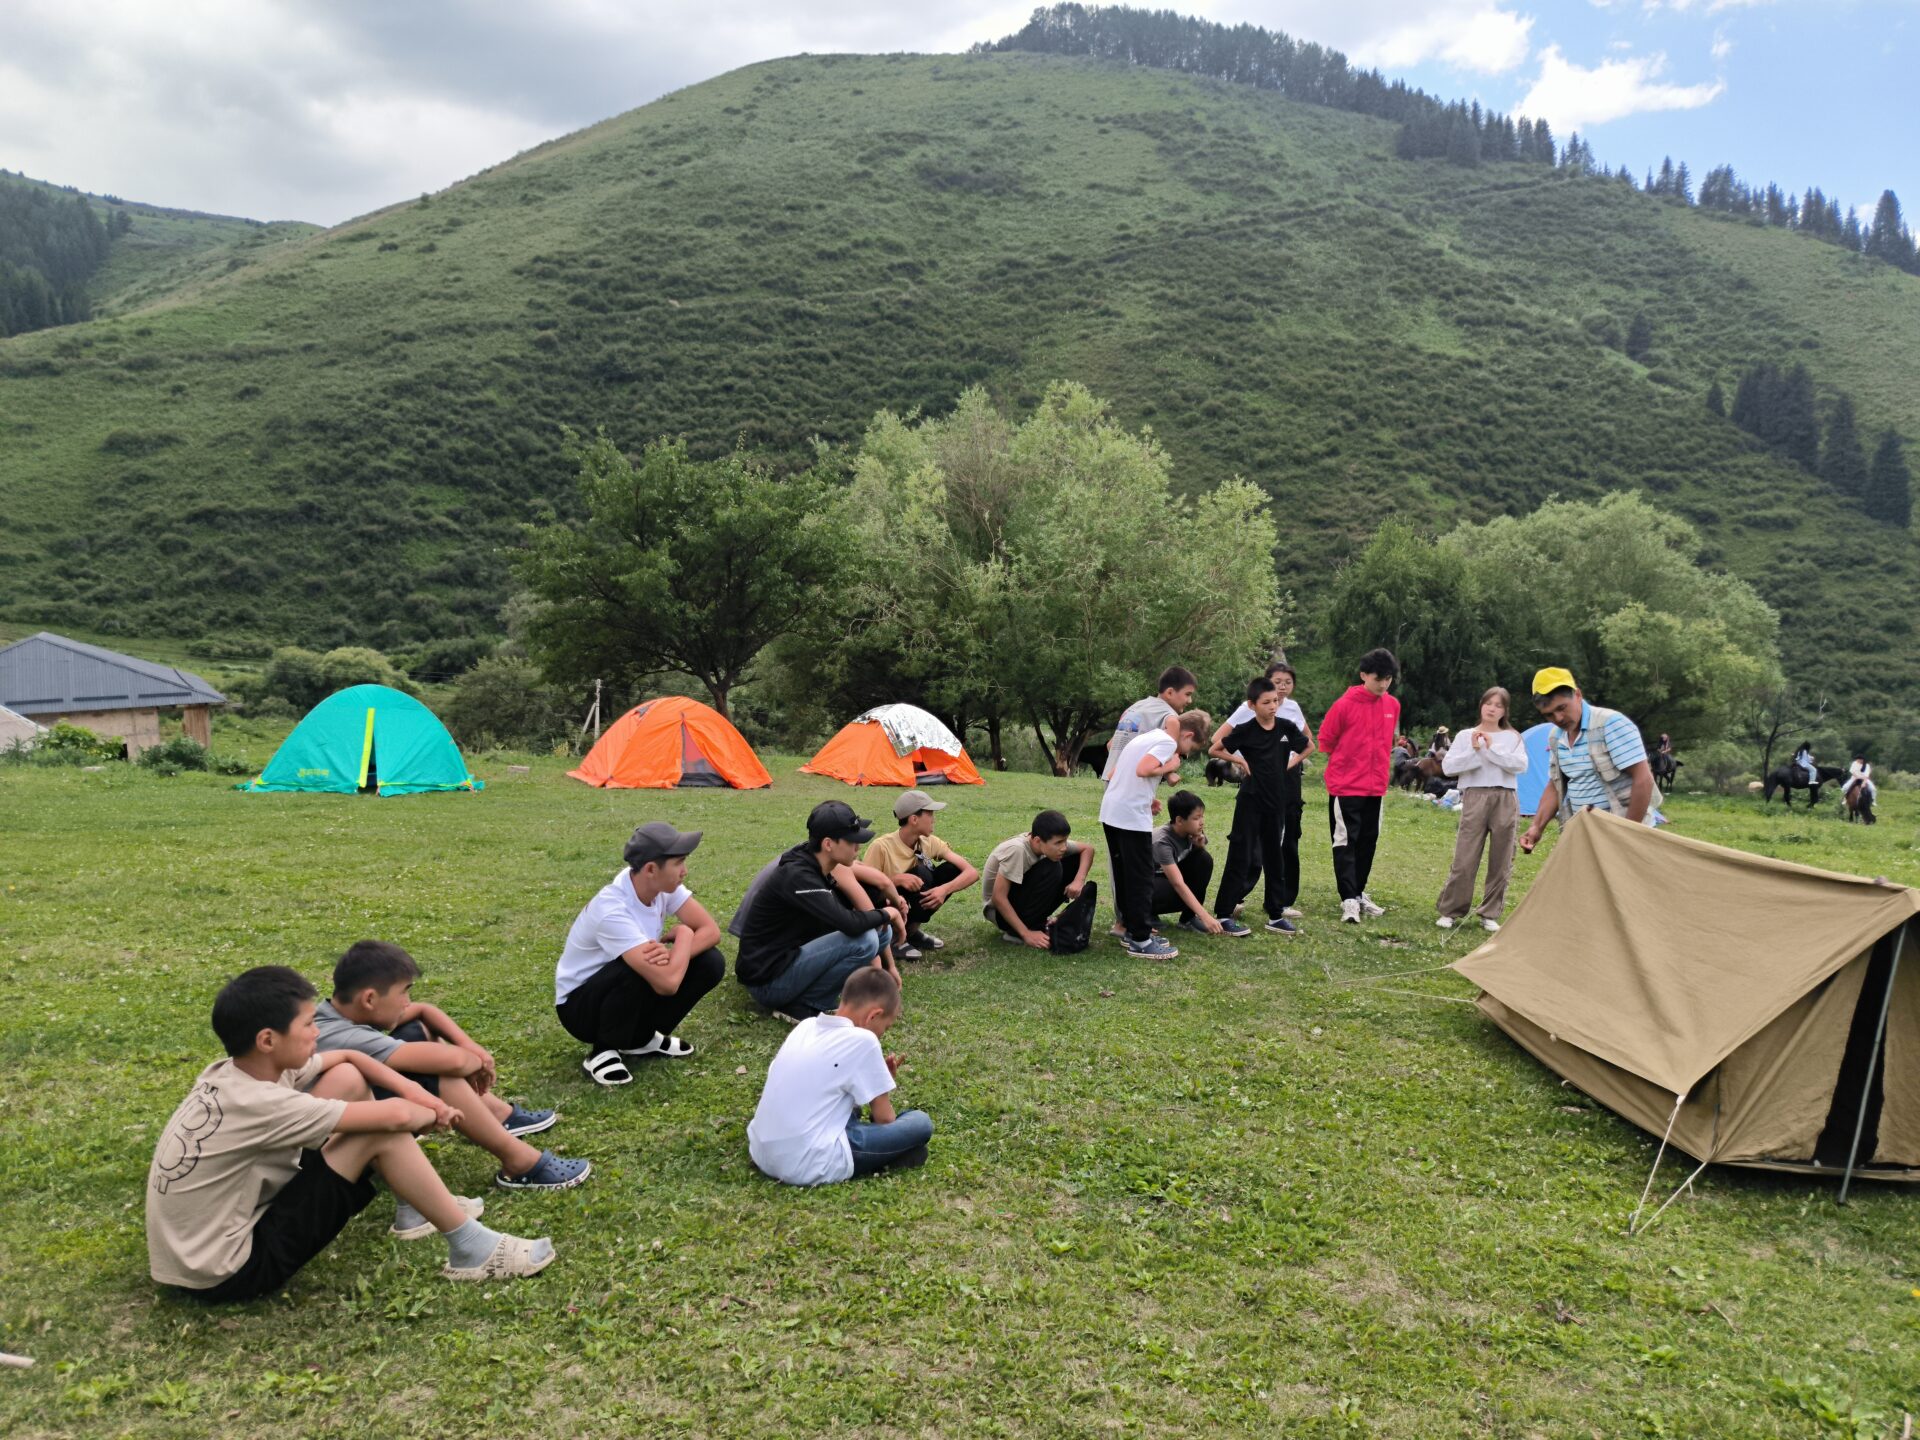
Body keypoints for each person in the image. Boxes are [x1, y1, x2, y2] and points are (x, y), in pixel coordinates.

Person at [147, 967, 554, 1302]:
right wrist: (432, 1111)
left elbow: (349, 1056)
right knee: (378, 1130)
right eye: (308, 1024)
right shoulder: (262, 1103)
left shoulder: (236, 1072)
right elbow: (395, 1116)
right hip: (229, 1271)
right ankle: (472, 1249)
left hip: (192, 1255)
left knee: (345, 1076)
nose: (317, 1032)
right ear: (267, 1040)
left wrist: (416, 1094)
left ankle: (415, 1208)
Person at [319, 941, 590, 1203]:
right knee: (436, 1074)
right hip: (343, 1152)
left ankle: (496, 1116)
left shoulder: (334, 1014)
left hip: (358, 1123)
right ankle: (519, 1163)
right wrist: (478, 1062)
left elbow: (424, 1011)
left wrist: (471, 1047)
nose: (407, 1002)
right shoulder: (344, 1036)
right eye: (404, 992)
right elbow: (456, 1063)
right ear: (369, 998)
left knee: (419, 1032)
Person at [555, 822, 726, 1088]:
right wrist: (683, 935)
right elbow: (668, 984)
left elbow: (711, 931)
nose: (684, 871)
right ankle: (603, 1050)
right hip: (581, 1008)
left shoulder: (660, 887)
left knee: (710, 962)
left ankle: (640, 1039)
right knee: (633, 967)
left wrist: (673, 956)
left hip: (624, 991)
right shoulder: (613, 909)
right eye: (679, 863)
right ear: (651, 869)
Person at [748, 966, 930, 1186]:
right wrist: (883, 1091)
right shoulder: (864, 1040)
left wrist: (875, 1080)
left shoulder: (805, 1027)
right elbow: (885, 1120)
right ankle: (888, 1156)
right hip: (807, 1162)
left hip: (762, 1152)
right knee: (920, 1123)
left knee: (850, 1110)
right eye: (886, 1027)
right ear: (873, 1015)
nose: (883, 1034)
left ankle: (888, 1156)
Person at [735, 801, 907, 1022]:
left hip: (789, 958)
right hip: (768, 982)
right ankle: (805, 1005)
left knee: (881, 932)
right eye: (851, 841)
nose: (858, 848)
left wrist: (883, 918)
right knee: (866, 939)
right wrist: (889, 912)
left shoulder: (817, 862)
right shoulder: (799, 875)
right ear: (828, 844)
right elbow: (850, 924)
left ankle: (808, 999)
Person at [1100, 710, 1211, 957]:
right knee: (1140, 879)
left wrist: (1147, 798)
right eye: (1188, 750)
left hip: (1112, 812)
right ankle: (1141, 940)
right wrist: (1170, 765)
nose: (1183, 755)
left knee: (1125, 875)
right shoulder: (1167, 742)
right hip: (1131, 818)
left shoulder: (1146, 737)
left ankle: (1131, 931)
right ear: (1188, 735)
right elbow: (1143, 769)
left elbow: (1115, 774)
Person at [1209, 661, 1313, 918]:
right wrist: (1240, 760)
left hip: (1280, 794)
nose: (1274, 704)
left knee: (1278, 850)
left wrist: (1293, 762)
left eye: (1275, 700)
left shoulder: (1287, 723)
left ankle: (1277, 909)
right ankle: (1227, 907)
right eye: (1267, 701)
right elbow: (1215, 746)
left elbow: (1308, 744)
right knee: (1243, 850)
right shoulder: (1246, 726)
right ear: (1253, 704)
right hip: (1252, 794)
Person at [1519, 667, 1656, 855]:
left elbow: (1643, 779)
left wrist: (1628, 832)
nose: (1558, 718)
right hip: (1586, 834)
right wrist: (1536, 827)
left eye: (1562, 708)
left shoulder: (1610, 723)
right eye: (1549, 714)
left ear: (1577, 695)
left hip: (1622, 833)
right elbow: (1555, 786)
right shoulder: (1556, 736)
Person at [1317, 648, 1402, 923]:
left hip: (1376, 787)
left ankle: (1359, 892)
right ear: (1364, 675)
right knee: (1346, 842)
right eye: (1378, 678)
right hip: (1346, 787)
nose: (1384, 684)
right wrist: (1348, 766)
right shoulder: (1343, 705)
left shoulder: (1393, 705)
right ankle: (1348, 899)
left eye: (1388, 679)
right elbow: (1326, 741)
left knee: (1368, 841)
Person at [1434, 687, 1528, 933]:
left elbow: (1520, 765)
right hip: (1475, 795)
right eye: (1488, 703)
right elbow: (1448, 768)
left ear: (1505, 711)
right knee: (1465, 856)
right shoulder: (1466, 735)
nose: (1492, 708)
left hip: (1505, 796)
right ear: (1481, 705)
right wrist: (1475, 750)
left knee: (1502, 858)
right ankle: (1451, 910)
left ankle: (1490, 912)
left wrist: (1492, 749)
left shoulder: (1513, 737)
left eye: (1498, 705)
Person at [863, 790, 979, 959]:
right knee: (921, 872)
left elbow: (971, 872)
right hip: (886, 904)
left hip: (908, 904)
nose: (933, 819)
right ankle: (891, 936)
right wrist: (895, 880)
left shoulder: (929, 841)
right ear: (914, 819)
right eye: (930, 813)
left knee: (952, 870)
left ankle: (911, 931)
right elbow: (864, 889)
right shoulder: (881, 846)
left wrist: (944, 890)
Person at [981, 810, 1097, 948]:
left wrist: (1078, 880)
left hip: (1019, 901)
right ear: (1037, 840)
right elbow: (998, 897)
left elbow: (1088, 849)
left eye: (1065, 840)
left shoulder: (1045, 842)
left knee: (1074, 859)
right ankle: (1016, 931)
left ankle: (1036, 922)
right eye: (1059, 842)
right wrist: (1026, 934)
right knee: (1052, 866)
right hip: (1000, 914)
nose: (1064, 847)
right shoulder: (1017, 850)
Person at [1150, 790, 1245, 937]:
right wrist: (1205, 916)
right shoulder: (1162, 841)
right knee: (1177, 887)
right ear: (1179, 820)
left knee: (1203, 859)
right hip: (1141, 889)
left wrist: (1198, 847)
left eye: (1202, 816)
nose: (1201, 822)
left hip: (1161, 878)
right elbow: (1177, 883)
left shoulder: (1190, 831)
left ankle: (1187, 919)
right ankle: (1146, 913)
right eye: (1196, 818)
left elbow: (1198, 868)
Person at [1099, 666, 1198, 781]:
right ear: (1170, 692)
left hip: (1111, 779)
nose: (1190, 700)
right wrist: (1169, 774)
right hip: (1134, 781)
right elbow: (1168, 753)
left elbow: (1111, 744)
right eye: (1187, 694)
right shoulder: (1170, 717)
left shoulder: (1136, 707)